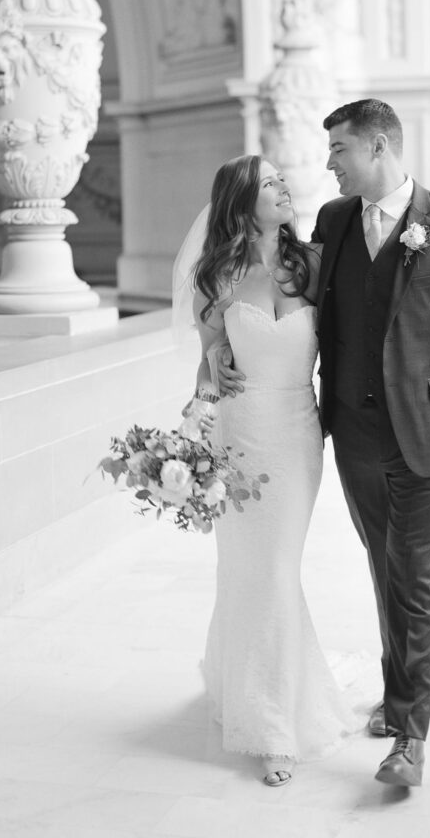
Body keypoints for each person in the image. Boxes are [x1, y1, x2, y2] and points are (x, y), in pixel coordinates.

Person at [217, 99, 430, 788]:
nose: (327, 164)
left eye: (339, 151)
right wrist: (234, 357)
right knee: (383, 568)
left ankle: (409, 739)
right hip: (349, 435)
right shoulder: (329, 222)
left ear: (378, 146)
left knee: (413, 580)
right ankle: (395, 697)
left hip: (426, 433)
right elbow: (298, 305)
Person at [181, 154, 357, 788]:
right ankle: (266, 718)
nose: (285, 189)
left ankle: (275, 709)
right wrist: (210, 380)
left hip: (295, 432)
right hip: (239, 433)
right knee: (250, 569)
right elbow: (207, 363)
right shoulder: (217, 276)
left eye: (283, 181)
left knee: (278, 567)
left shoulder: (309, 263)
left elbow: (341, 343)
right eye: (271, 184)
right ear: (242, 202)